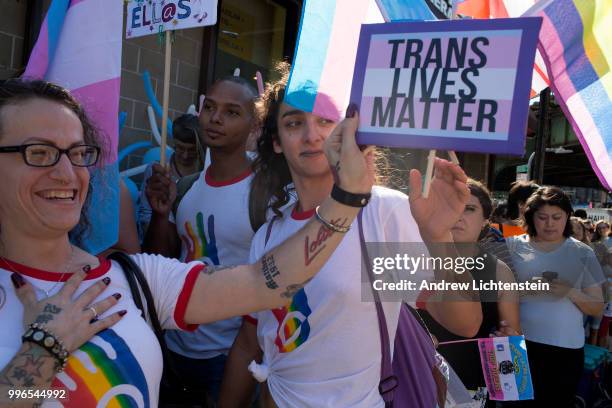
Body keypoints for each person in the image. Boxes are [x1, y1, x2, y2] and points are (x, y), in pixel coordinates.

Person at [0, 78, 372, 407]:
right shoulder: (201, 196)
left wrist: (355, 202)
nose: (66, 173)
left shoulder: (133, 278)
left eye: (78, 154)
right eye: (40, 153)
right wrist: (41, 351)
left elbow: (266, 285)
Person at [218, 63, 478, 408]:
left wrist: (439, 236)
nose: (311, 135)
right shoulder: (268, 233)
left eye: (326, 121)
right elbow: (250, 341)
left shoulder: (382, 213)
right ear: (277, 142)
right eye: (294, 123)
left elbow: (465, 323)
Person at [143, 76, 260, 405]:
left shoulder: (264, 191)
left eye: (232, 112)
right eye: (209, 107)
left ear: (255, 123)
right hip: (175, 347)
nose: (216, 118)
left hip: (227, 358)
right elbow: (161, 264)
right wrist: (160, 215)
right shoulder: (187, 188)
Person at [418, 179, 520, 405]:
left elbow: (512, 342)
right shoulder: (412, 262)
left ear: (486, 219)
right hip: (415, 377)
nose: (457, 214)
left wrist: (509, 340)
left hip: (471, 386)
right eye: (449, 206)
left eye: (470, 209)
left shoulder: (499, 271)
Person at [505, 186, 604, 407]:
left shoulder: (582, 252)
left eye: (556, 217)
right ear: (531, 217)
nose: (550, 223)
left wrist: (568, 291)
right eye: (542, 217)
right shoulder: (512, 246)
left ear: (567, 216)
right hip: (520, 345)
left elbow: (597, 307)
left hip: (565, 351)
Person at [137, 113, 204, 239]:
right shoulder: (157, 168)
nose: (185, 155)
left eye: (191, 150)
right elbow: (145, 214)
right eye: (180, 148)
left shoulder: (204, 171)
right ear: (173, 142)